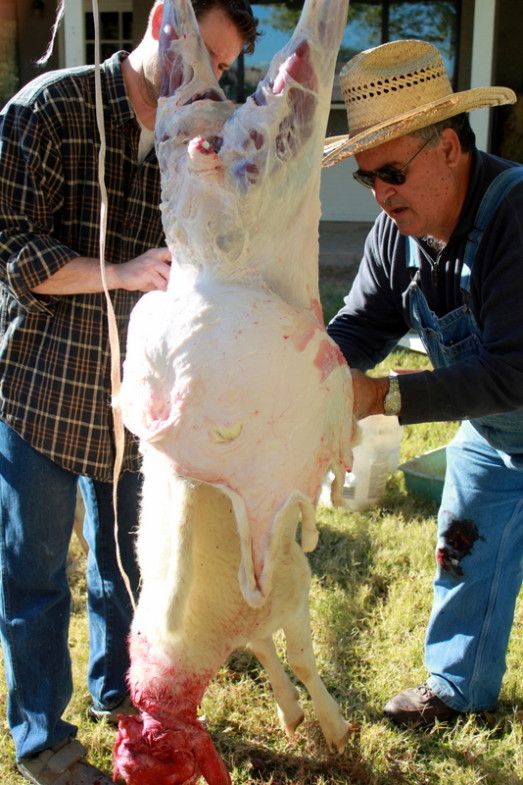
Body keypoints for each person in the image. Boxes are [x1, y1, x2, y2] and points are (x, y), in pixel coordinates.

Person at [0, 1, 259, 783]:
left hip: (142, 402)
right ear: (160, 19)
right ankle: (43, 738)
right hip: (44, 389)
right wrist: (119, 271)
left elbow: (216, 258)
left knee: (130, 572)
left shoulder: (196, 134)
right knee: (35, 573)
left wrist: (224, 191)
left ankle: (124, 699)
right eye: (197, 58)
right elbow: (11, 247)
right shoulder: (50, 105)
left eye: (220, 69)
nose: (203, 83)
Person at [323, 39, 523, 727]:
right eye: (366, 179)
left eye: (391, 171)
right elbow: (361, 321)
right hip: (496, 435)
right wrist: (323, 370)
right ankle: (458, 689)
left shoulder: (514, 217)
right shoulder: (394, 230)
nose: (381, 193)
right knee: (462, 545)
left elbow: (512, 371)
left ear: (447, 147)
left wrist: (380, 396)